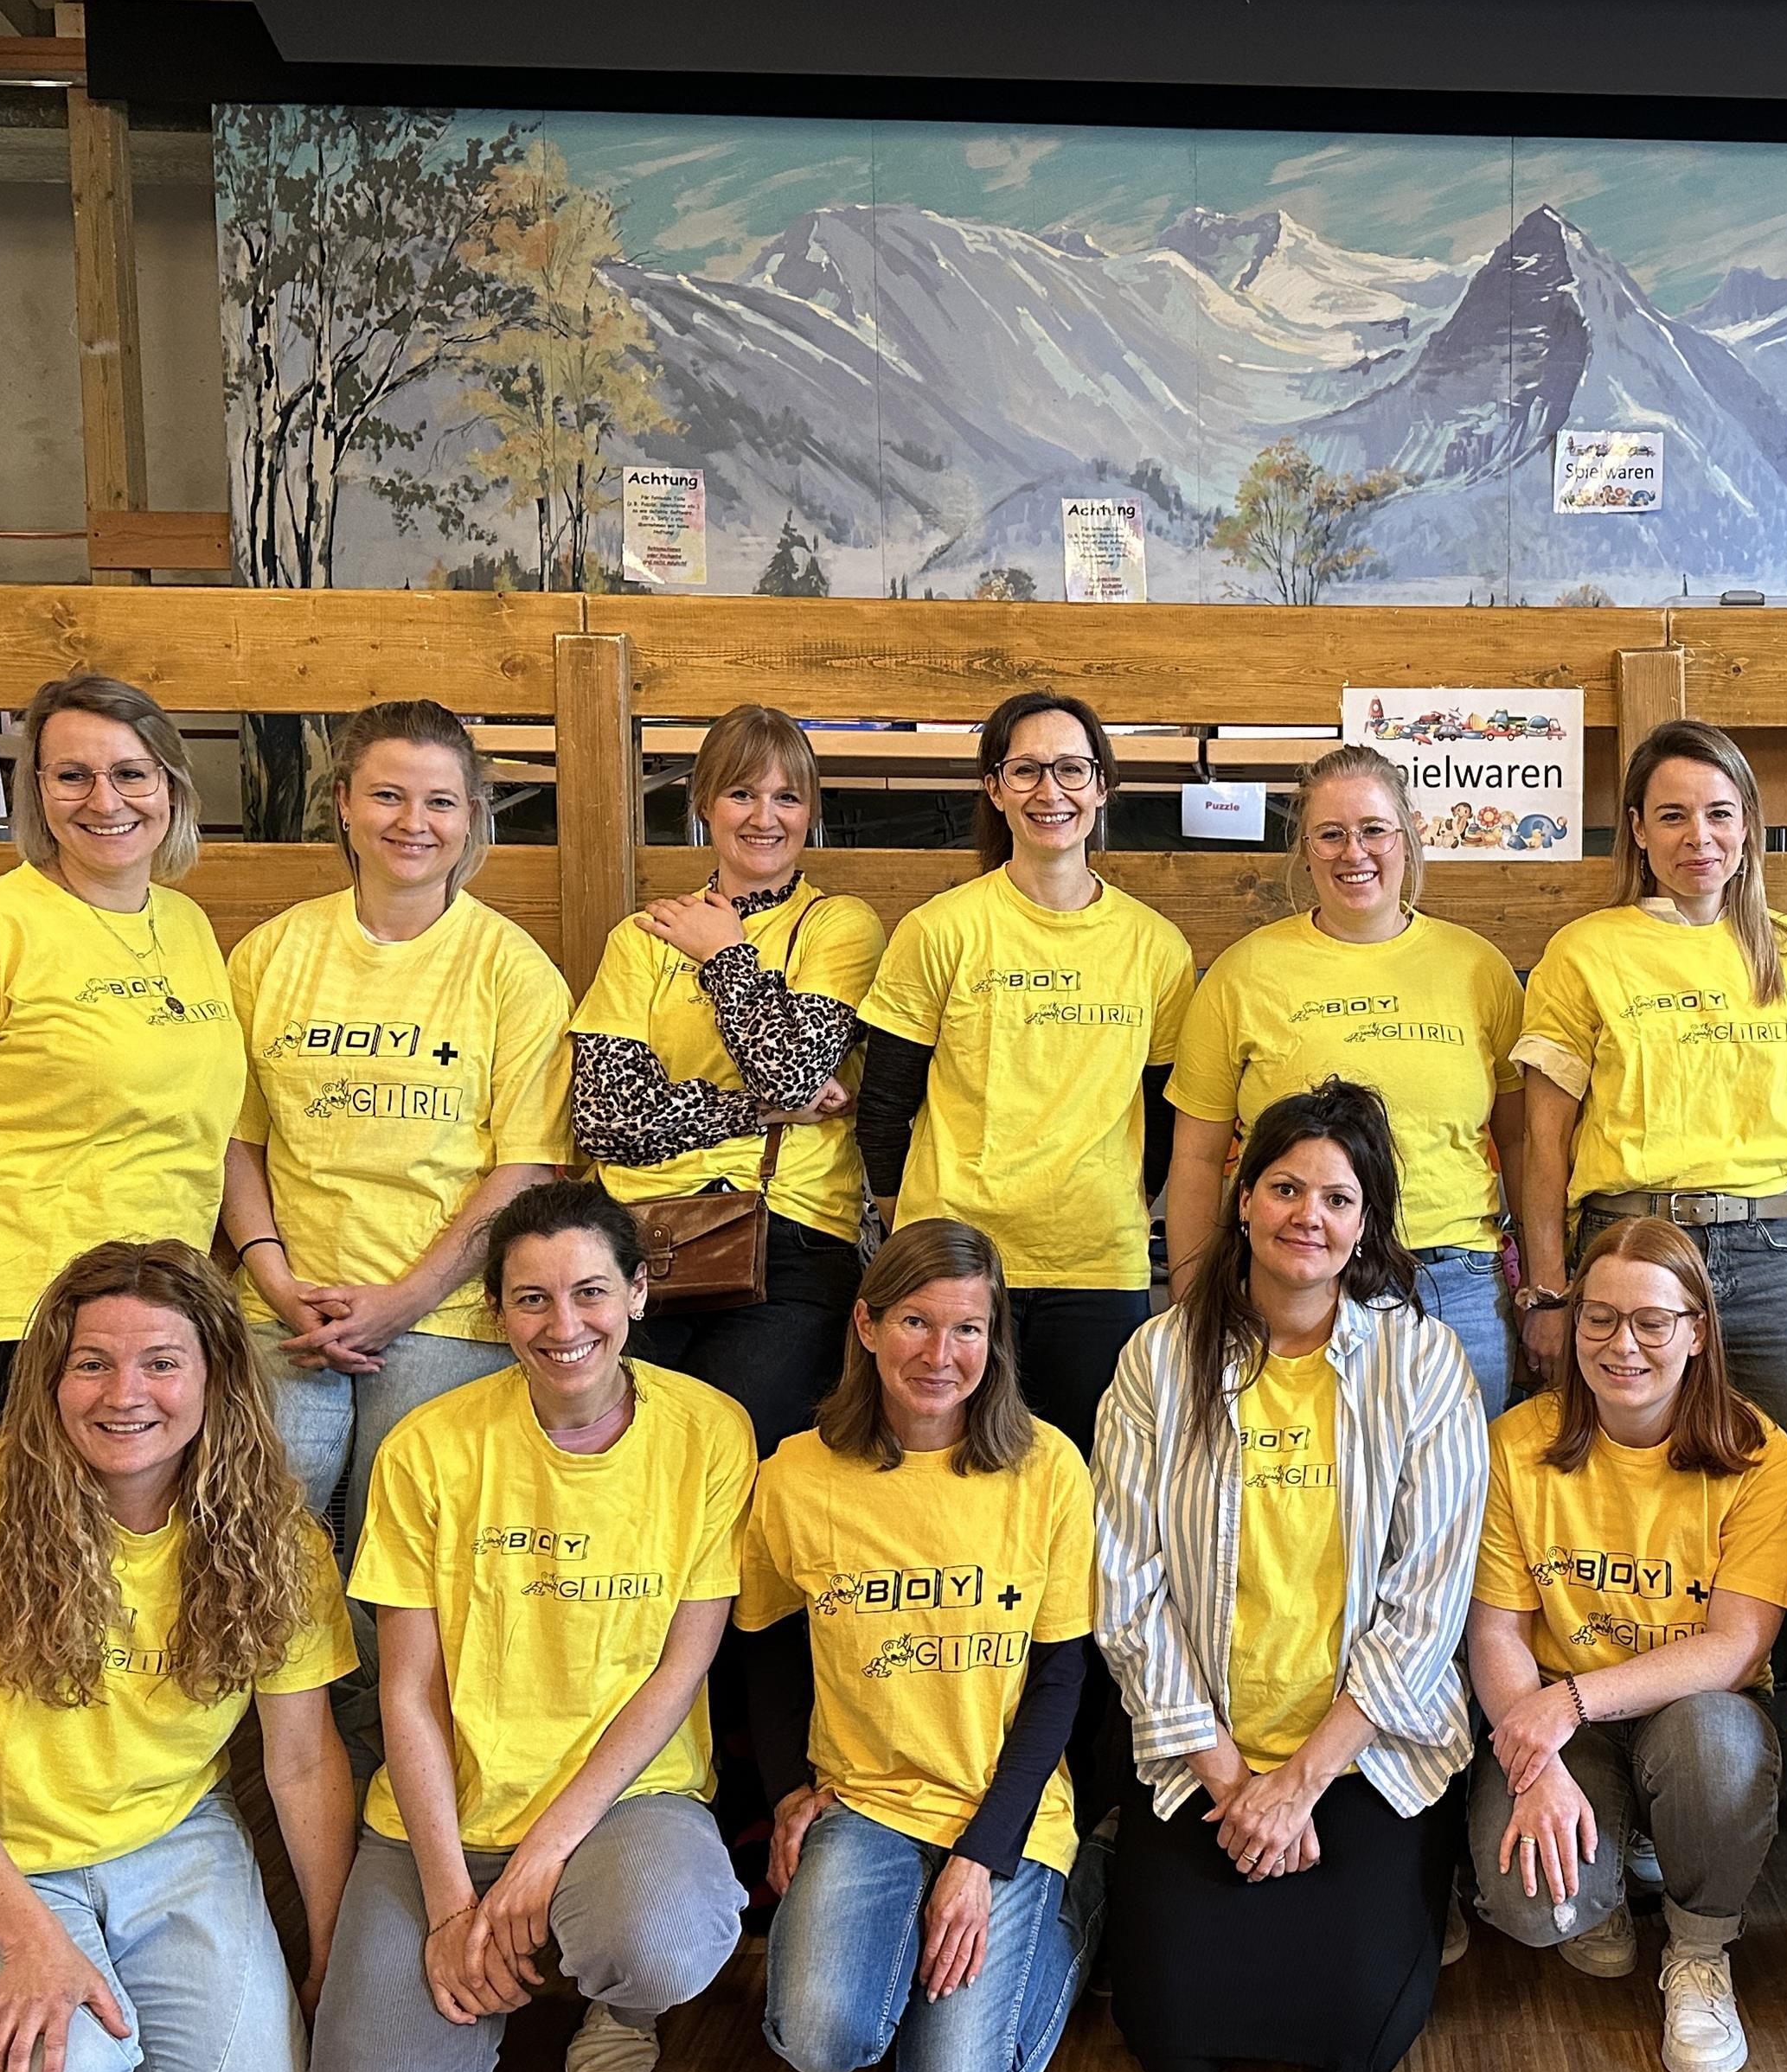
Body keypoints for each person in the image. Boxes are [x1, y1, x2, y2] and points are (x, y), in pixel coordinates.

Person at [0, 1241, 355, 2072]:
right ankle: (67, 2051)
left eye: (161, 1363)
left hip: (169, 1841)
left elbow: (304, 1764)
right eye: (92, 1363)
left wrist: (332, 1950)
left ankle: (112, 2017)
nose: (126, 1393)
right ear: (51, 1379)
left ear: (215, 1381)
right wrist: (31, 1942)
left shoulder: (274, 1534)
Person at [302, 1182, 757, 2072]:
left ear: (638, 1294)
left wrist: (541, 1857)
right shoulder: (428, 1447)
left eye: (590, 1293)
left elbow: (681, 1669)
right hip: (447, 1821)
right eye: (531, 1301)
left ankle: (606, 1991)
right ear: (495, 1313)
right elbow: (406, 1695)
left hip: (621, 1809)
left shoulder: (710, 1433)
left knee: (662, 1941)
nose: (565, 1326)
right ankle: (496, 1975)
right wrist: (454, 1903)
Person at [1090, 1080, 1488, 2072]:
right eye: (1284, 1187)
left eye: (1338, 1198)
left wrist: (1300, 1783)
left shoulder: (1425, 1363)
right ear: (1243, 1200)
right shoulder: (1158, 1358)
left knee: (1356, 2043)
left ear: (1368, 1224)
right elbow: (1124, 1586)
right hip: (1204, 1748)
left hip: (1362, 1750)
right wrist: (1235, 1785)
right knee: (1171, 2045)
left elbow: (1428, 1600)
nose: (1308, 1215)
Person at [218, 701, 567, 1772]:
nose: (413, 822)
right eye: (389, 795)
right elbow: (235, 1142)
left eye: (440, 802)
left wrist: (403, 1299)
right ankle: (266, 1769)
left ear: (472, 821)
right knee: (255, 1549)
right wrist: (275, 1279)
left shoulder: (513, 970)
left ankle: (389, 1778)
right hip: (283, 1315)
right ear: (345, 806)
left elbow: (526, 1170)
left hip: (445, 1318)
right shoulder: (271, 956)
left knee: (406, 1561)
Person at [740, 1218, 1103, 2072]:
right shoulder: (795, 1477)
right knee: (819, 2039)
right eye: (915, 1323)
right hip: (865, 1803)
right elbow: (769, 1644)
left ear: (995, 1341)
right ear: (865, 1325)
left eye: (968, 1330)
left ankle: (1075, 1905)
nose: (941, 1355)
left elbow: (1062, 1679)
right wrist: (787, 1789)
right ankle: (902, 1945)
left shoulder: (1047, 1469)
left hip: (1005, 1811)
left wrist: (979, 1860)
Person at [0, 674, 245, 1463]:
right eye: (73, 776)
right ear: (37, 791)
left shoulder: (187, 925)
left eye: (131, 773)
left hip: (147, 1322)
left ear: (170, 787)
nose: (105, 800)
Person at [1464, 1218, 1787, 2072]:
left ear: (1696, 1332)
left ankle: (1698, 1948)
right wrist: (1537, 1762)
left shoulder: (1758, 1454)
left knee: (1713, 1744)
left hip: (1688, 1713)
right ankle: (1604, 1882)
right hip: (1555, 1718)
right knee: (1536, 1908)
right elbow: (1496, 1632)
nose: (1623, 1345)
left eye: (1653, 1322)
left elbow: (1734, 1648)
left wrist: (1570, 1699)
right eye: (1598, 1318)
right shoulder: (1515, 1446)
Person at [1514, 719, 1787, 1507]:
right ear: (1637, 828)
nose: (1700, 837)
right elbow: (1543, 1145)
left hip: (1768, 1255)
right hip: (1630, 1248)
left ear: (1748, 825)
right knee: (1635, 1494)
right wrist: (1552, 1291)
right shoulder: (1584, 951)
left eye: (1720, 813)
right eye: (1672, 815)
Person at [858, 690, 1195, 1457]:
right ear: (993, 788)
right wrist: (918, 1232)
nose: (1051, 792)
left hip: (1097, 1266)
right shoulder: (940, 930)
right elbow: (883, 1109)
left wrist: (1116, 1201)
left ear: (1103, 786)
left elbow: (1164, 1117)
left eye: (1072, 770)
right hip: (954, 1270)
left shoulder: (1156, 948)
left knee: (1084, 1482)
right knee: (943, 1476)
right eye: (1026, 770)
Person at [572, 700, 886, 1460]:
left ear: (811, 812)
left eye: (787, 797)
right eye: (742, 793)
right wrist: (760, 1111)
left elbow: (795, 1068)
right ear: (703, 803)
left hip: (791, 1241)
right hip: (642, 1241)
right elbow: (604, 1116)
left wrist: (725, 955)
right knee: (631, 1463)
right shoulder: (642, 938)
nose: (764, 817)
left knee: (737, 1457)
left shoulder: (839, 926)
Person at [1166, 743, 1525, 1406]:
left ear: (1410, 838)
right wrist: (1194, 1305)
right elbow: (1194, 1159)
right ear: (1304, 850)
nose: (1352, 852)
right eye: (1329, 835)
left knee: (1460, 1502)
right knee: (1306, 1498)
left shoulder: (1479, 970)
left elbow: (1524, 1143)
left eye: (1373, 831)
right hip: (1294, 1284)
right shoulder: (1243, 975)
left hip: (1459, 1282)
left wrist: (1542, 1284)